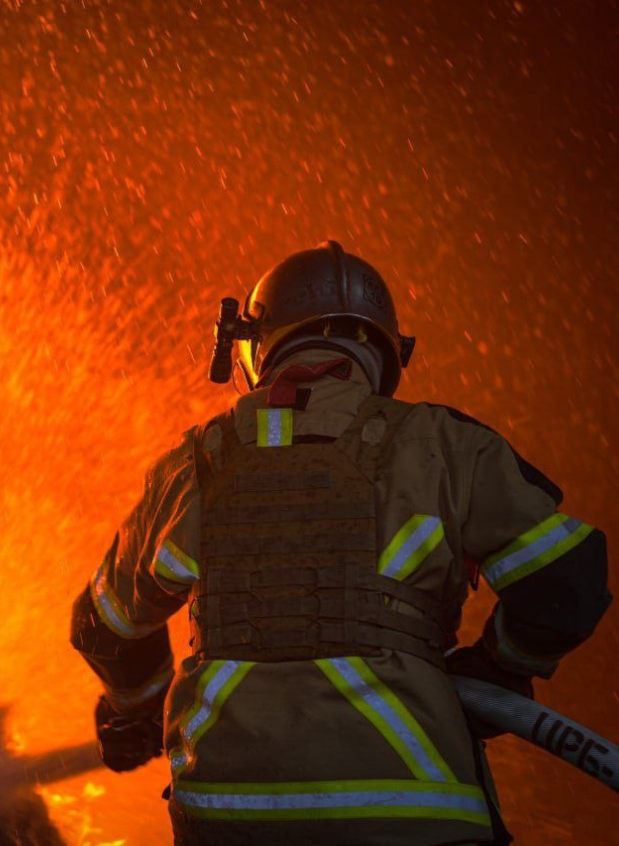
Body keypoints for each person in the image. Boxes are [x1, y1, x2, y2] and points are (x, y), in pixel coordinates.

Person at [69, 241, 611, 845]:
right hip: (414, 819)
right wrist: (499, 668)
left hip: (228, 820)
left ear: (253, 347)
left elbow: (105, 624)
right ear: (386, 352)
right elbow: (567, 581)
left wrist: (135, 710)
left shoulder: (195, 463)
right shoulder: (443, 445)